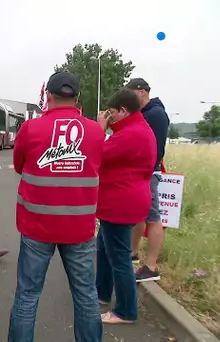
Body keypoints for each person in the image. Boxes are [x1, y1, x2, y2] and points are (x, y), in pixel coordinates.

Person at [9, 71, 104, 342]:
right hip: (80, 228)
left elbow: (19, 165)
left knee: (27, 295)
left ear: (48, 96)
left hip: (37, 226)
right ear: (77, 99)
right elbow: (99, 167)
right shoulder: (96, 132)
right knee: (86, 295)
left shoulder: (30, 129)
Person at [95, 88, 157, 324]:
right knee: (103, 248)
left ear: (123, 110)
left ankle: (126, 311)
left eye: (112, 114)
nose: (110, 119)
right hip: (123, 200)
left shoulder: (130, 134)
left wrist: (100, 131)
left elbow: (98, 155)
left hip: (120, 204)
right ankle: (101, 293)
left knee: (119, 258)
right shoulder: (138, 129)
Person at [126, 78, 170, 282]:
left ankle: (151, 266)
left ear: (142, 92)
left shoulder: (155, 115)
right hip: (142, 172)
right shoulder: (146, 114)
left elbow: (154, 147)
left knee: (153, 218)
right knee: (139, 215)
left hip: (148, 173)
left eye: (131, 93)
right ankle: (133, 253)